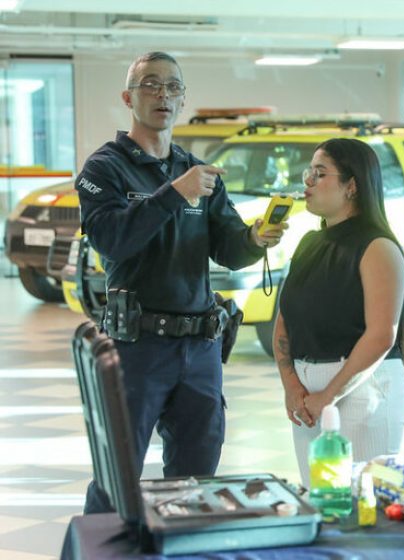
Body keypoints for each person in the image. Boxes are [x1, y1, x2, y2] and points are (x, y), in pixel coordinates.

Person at [76, 52, 284, 513]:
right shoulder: (104, 169)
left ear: (183, 98)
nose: (162, 95)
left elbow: (229, 249)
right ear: (128, 97)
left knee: (198, 478)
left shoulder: (197, 172)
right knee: (118, 473)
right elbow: (114, 240)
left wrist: (256, 238)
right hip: (137, 347)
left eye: (173, 86)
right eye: (151, 84)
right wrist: (175, 193)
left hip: (201, 348)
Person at [272, 138, 404, 487]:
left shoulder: (378, 246)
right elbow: (284, 324)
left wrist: (328, 395)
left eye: (320, 174)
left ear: (352, 186)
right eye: (309, 172)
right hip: (307, 390)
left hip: (362, 384)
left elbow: (381, 335)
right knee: (318, 497)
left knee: (361, 501)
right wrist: (292, 386)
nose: (308, 182)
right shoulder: (308, 244)